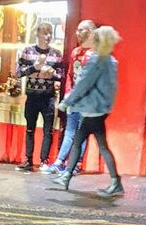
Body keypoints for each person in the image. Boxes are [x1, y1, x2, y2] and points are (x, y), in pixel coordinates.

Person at [52, 26, 124, 197]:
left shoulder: (96, 60)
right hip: (101, 109)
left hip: (92, 109)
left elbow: (83, 84)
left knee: (85, 143)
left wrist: (66, 102)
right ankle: (68, 176)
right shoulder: (111, 61)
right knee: (89, 143)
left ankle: (114, 182)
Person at [15, 21, 64, 173]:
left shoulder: (56, 54)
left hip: (48, 97)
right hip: (32, 95)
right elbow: (18, 72)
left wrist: (51, 73)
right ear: (37, 34)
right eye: (44, 33)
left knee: (48, 130)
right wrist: (34, 68)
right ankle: (28, 160)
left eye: (50, 33)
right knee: (30, 128)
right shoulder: (28, 51)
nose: (48, 36)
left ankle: (44, 161)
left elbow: (61, 75)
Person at [48, 20, 96, 174]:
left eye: (81, 30)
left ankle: (76, 164)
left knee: (81, 132)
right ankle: (59, 161)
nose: (77, 33)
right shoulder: (75, 52)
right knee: (69, 130)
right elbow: (70, 74)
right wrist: (68, 93)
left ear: (90, 32)